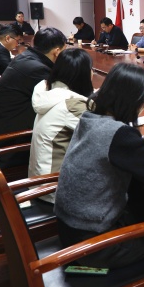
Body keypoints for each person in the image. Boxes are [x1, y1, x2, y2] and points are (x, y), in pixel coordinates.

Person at [54, 63, 144, 268]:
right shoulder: (117, 134)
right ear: (133, 102)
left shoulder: (89, 118)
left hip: (69, 228)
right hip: (93, 245)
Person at [29, 48, 93, 203]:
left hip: (38, 180)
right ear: (83, 75)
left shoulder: (47, 91)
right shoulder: (73, 105)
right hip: (54, 188)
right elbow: (104, 133)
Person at [0, 27, 67, 139]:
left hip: (0, 124)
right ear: (57, 52)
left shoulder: (26, 57)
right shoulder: (37, 69)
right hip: (9, 138)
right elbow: (58, 98)